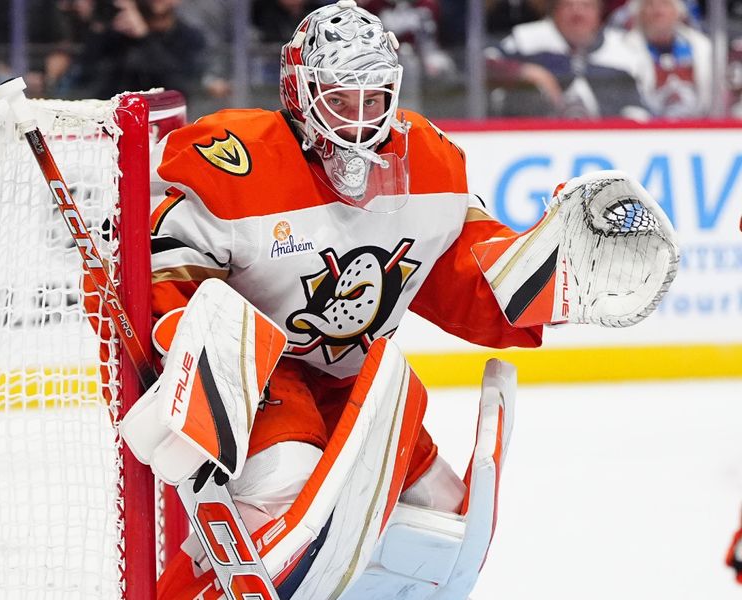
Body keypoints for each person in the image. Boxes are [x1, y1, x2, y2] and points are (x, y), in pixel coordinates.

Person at [119, 1, 677, 598]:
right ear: (299, 95)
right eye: (339, 101)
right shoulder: (239, 160)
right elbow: (169, 263)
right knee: (288, 495)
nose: (359, 124)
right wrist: (189, 361)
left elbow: (468, 269)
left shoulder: (425, 163)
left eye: (374, 100)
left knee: (441, 516)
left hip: (357, 387)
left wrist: (556, 280)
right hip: (261, 383)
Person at [485, 0, 648, 118]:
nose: (577, 13)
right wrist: (528, 73)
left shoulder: (624, 48)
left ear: (600, 13)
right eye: (568, 5)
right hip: (536, 136)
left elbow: (640, 111)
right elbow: (481, 64)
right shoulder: (527, 39)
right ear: (554, 10)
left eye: (586, 6)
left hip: (606, 143)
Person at [68, 0, 207, 101]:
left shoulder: (190, 37)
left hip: (162, 119)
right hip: (113, 119)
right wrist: (99, 27)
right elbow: (85, 80)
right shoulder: (116, 34)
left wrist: (144, 37)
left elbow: (181, 88)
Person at [624, 0, 712, 118]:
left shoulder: (702, 46)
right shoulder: (624, 49)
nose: (658, 11)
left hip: (699, 126)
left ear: (678, 12)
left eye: (665, 4)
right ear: (639, 14)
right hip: (646, 129)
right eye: (650, 5)